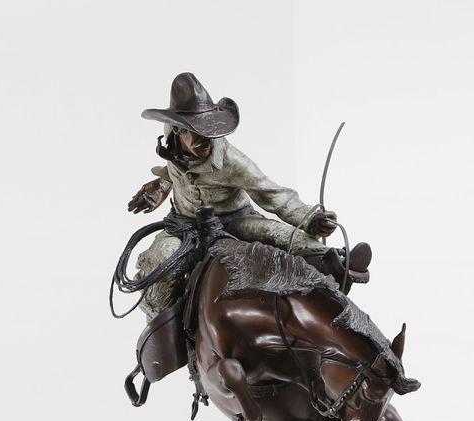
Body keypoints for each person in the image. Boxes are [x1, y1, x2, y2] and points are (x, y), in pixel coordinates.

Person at [127, 72, 369, 322]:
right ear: (178, 130)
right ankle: (160, 332)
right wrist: (162, 185)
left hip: (235, 220)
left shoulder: (233, 161)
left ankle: (335, 263)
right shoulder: (170, 141)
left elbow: (273, 194)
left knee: (282, 235)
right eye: (195, 131)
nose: (204, 138)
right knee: (161, 262)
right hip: (183, 225)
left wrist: (310, 219)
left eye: (209, 129)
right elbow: (175, 167)